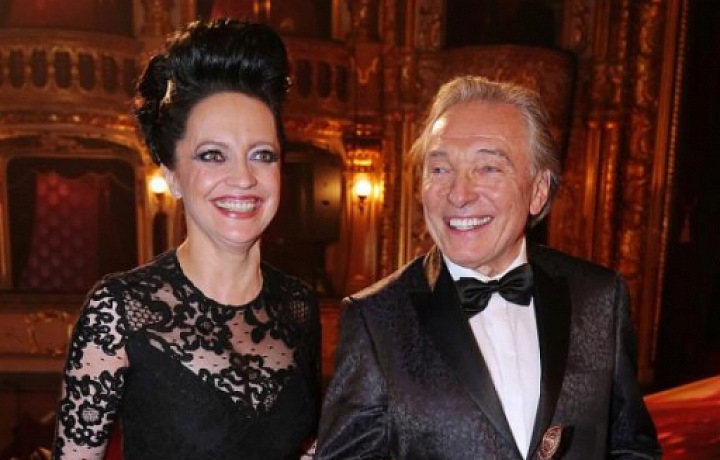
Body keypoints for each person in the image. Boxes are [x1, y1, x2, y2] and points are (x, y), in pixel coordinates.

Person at [316, 76, 661, 459]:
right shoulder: (375, 319)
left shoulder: (600, 297)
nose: (459, 194)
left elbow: (631, 448)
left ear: (538, 191)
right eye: (440, 169)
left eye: (488, 168)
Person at [52, 18, 321, 460]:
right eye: (212, 155)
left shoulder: (299, 306)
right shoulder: (118, 310)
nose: (243, 178)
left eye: (262, 155)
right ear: (172, 176)